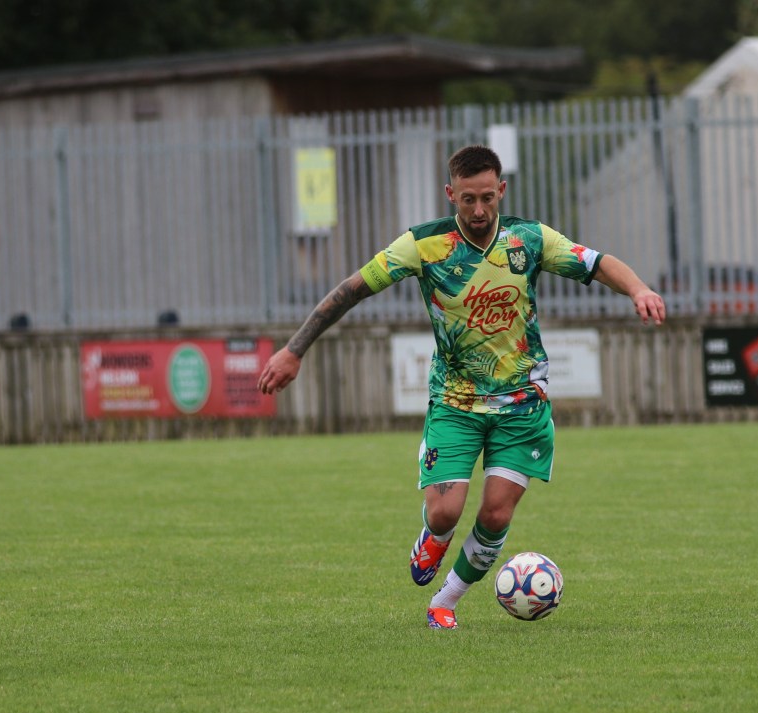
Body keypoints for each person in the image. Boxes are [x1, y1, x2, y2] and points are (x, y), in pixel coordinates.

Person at [258, 145, 665, 630]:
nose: (478, 210)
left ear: (502, 191)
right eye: (467, 199)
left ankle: (444, 603)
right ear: (450, 193)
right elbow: (350, 290)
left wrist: (639, 289)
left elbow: (597, 262)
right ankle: (434, 533)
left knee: (494, 516)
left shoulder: (528, 239)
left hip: (522, 405)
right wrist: (294, 349)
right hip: (455, 402)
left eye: (487, 198)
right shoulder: (424, 245)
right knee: (447, 512)